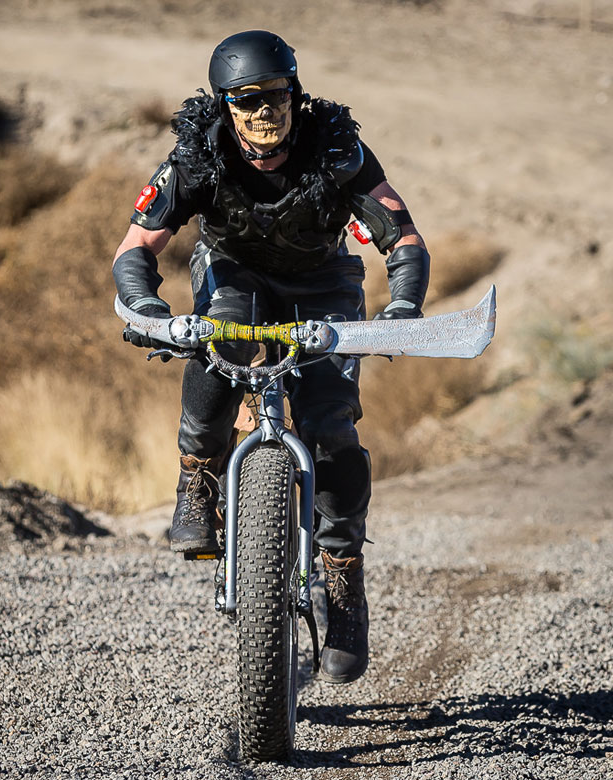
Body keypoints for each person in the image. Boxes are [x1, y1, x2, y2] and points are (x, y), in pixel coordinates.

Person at [111, 30, 429, 685]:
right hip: (235, 276)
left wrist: (403, 305)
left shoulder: (336, 150)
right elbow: (137, 245)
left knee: (333, 427)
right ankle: (199, 472)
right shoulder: (199, 155)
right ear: (226, 105)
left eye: (277, 97)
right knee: (218, 331)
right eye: (248, 100)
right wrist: (144, 305)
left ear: (295, 95)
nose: (264, 112)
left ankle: (343, 581)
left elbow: (401, 237)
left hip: (324, 283)